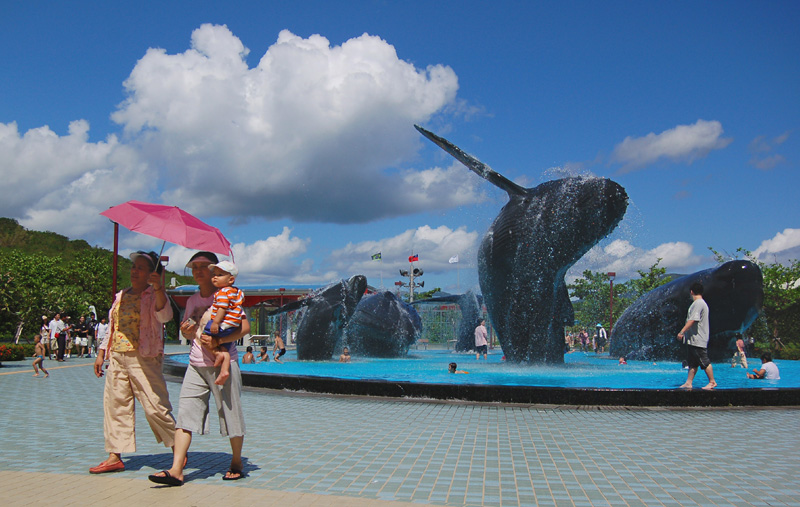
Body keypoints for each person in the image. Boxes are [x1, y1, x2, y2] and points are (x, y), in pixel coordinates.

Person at [149, 251, 250, 487]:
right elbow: (192, 330)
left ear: (216, 271)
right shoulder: (193, 300)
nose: (198, 271)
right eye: (194, 267)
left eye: (204, 266)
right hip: (195, 364)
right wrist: (186, 332)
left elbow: (244, 328)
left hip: (222, 363)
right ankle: (176, 470)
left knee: (230, 414)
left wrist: (217, 342)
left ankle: (236, 462)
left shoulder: (226, 295)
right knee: (185, 415)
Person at [90, 251, 177, 474]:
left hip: (144, 356)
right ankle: (114, 455)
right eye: (133, 267)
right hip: (118, 356)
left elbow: (165, 315)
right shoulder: (121, 295)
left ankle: (178, 447)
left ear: (151, 274)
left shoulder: (154, 294)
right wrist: (102, 352)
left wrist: (159, 288)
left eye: (140, 267)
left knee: (155, 405)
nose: (134, 271)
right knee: (116, 406)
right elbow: (112, 325)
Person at [204, 260, 245, 385]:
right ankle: (224, 368)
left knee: (203, 335)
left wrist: (216, 322)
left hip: (223, 324)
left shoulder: (223, 292)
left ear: (231, 279)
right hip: (232, 325)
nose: (215, 277)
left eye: (220, 275)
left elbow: (222, 308)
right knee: (224, 347)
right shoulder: (236, 291)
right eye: (214, 274)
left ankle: (218, 355)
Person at [677, 282, 717, 390]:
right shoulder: (700, 303)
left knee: (704, 361)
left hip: (698, 339)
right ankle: (688, 382)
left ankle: (712, 382)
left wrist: (682, 332)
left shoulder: (698, 303)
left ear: (691, 292)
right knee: (693, 363)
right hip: (693, 339)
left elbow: (693, 320)